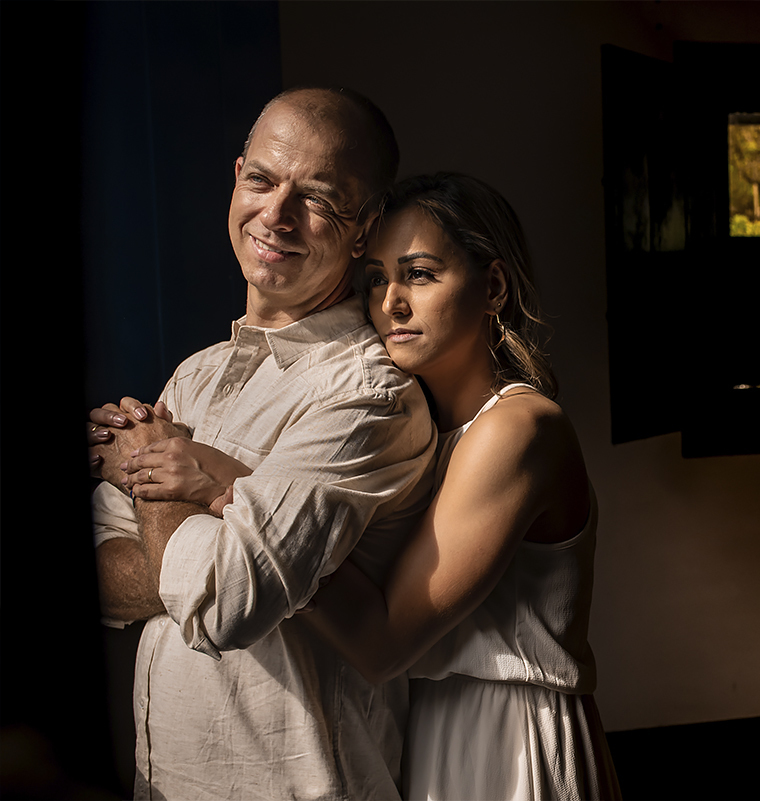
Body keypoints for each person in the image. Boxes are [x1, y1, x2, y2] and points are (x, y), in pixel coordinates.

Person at [122, 173, 622, 800]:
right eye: (377, 279)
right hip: (430, 730)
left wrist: (231, 488)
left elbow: (383, 644)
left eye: (420, 274)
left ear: (493, 286)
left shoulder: (517, 429)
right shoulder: (427, 429)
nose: (391, 304)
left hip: (508, 737)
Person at [87, 87, 436, 800]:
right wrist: (194, 537)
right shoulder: (195, 374)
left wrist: (146, 465)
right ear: (236, 179)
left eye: (317, 198)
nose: (276, 215)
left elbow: (225, 607)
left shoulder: (367, 394)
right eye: (261, 179)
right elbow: (101, 570)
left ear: (365, 229)